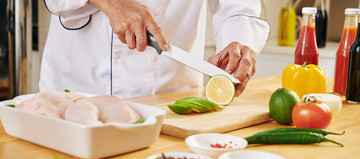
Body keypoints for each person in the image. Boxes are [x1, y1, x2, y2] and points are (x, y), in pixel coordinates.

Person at [39, 0, 270, 99]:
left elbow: (237, 5)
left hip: (168, 94)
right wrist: (112, 4)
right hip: (79, 86)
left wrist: (238, 40)